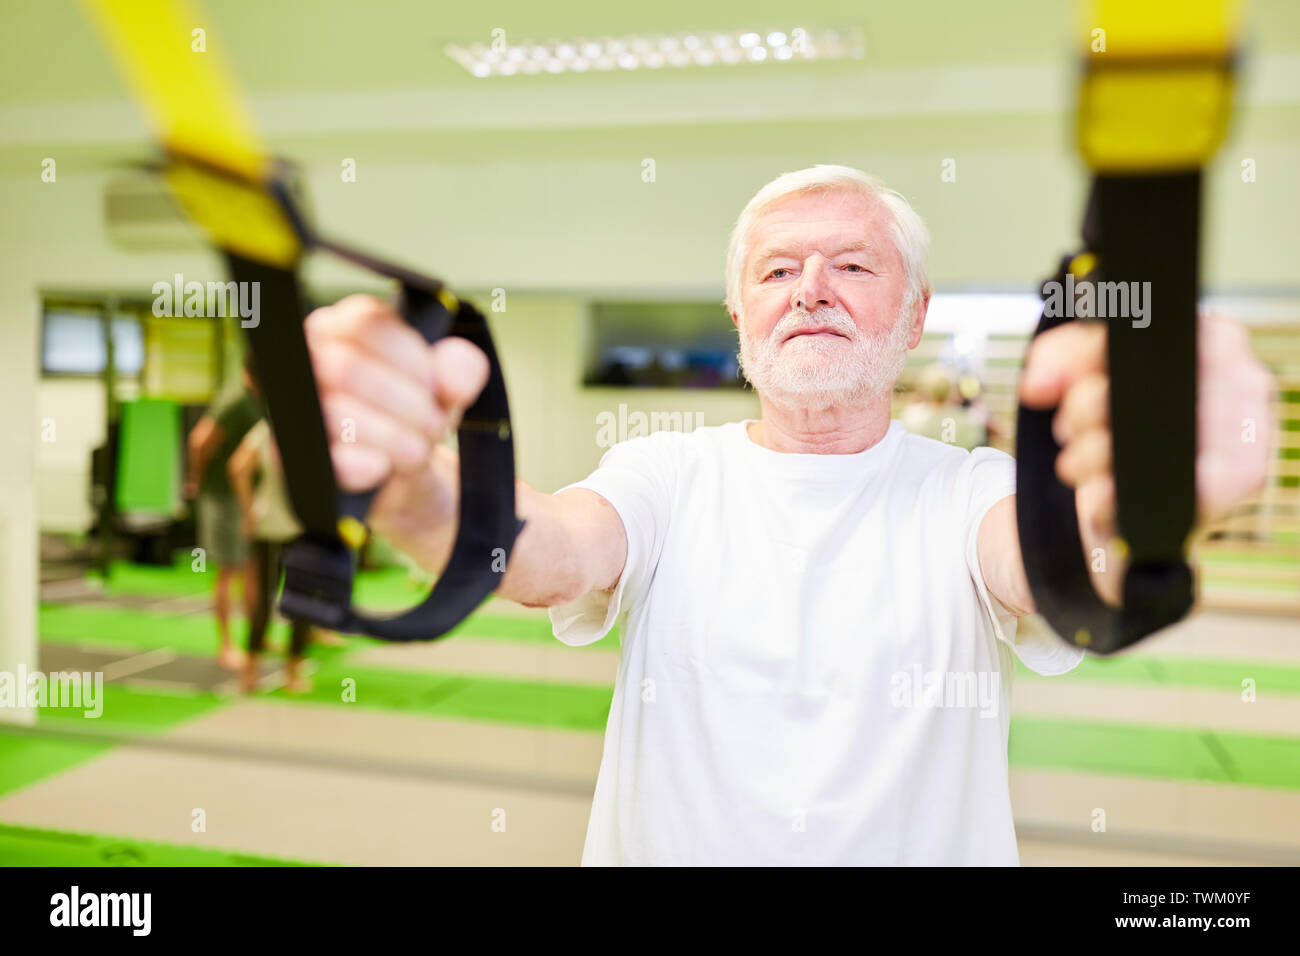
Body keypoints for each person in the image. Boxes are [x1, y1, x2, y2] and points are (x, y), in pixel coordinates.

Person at [300, 165, 1275, 865]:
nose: (809, 288)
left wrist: (1151, 498)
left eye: (851, 265)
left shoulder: (968, 488)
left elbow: (1055, 562)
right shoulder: (665, 472)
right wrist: (413, 484)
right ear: (738, 315)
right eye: (775, 271)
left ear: (912, 310)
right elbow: (550, 550)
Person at [227, 353, 314, 694]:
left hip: (268, 525)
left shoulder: (268, 430)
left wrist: (250, 509)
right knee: (301, 600)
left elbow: (237, 467)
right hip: (296, 529)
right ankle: (292, 673)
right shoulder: (304, 436)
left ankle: (251, 674)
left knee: (262, 599)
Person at [184, 361, 264, 670]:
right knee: (228, 570)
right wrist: (197, 478)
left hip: (245, 497)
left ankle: (253, 637)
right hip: (222, 496)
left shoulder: (255, 398)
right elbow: (199, 440)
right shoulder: (235, 400)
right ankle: (226, 645)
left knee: (250, 568)